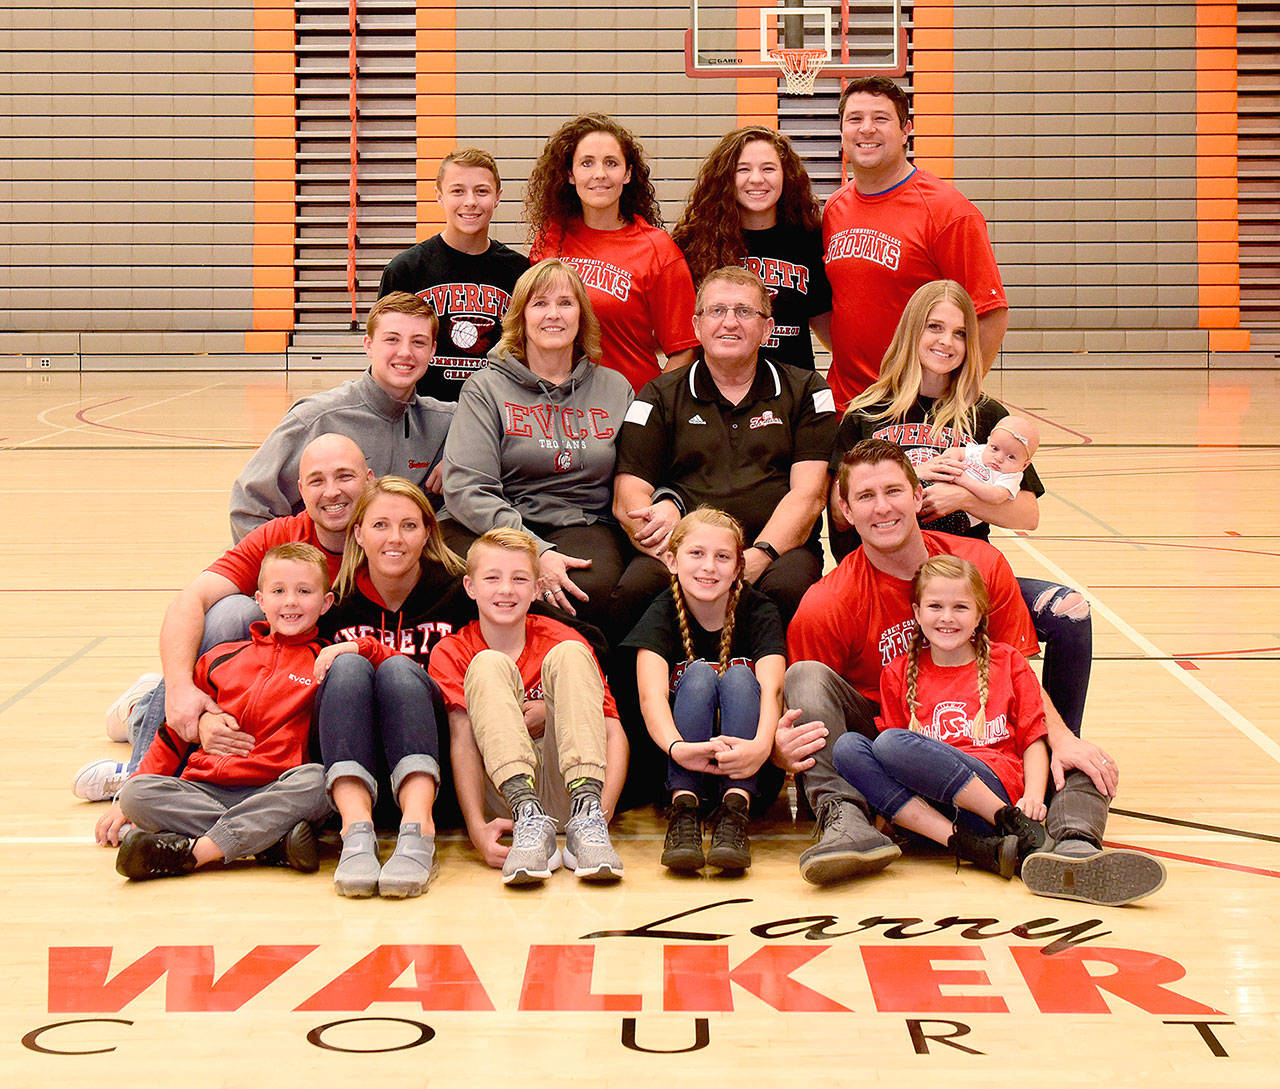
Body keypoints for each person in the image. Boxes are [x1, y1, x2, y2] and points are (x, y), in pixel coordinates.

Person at [781, 439, 1166, 906]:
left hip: (989, 755)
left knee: (1081, 759)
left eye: (894, 491)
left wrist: (1062, 740)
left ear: (919, 495)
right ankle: (848, 822)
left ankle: (1074, 851)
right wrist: (783, 755)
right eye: (865, 496)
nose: (882, 508)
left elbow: (1017, 675)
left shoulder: (980, 566)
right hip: (904, 753)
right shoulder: (827, 604)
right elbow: (832, 726)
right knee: (811, 681)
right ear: (843, 508)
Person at [830, 280, 1089, 735]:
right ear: (912, 331)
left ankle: (1057, 748)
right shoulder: (866, 414)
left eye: (960, 333)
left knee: (1071, 613)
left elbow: (1028, 514)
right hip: (887, 580)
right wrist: (914, 479)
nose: (946, 343)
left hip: (969, 578)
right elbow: (837, 512)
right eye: (935, 327)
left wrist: (966, 497)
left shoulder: (986, 416)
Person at [72, 433, 374, 802]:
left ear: (370, 479)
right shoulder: (280, 537)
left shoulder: (388, 540)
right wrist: (181, 690)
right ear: (300, 488)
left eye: (345, 477)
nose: (331, 492)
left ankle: (141, 707)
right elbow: (189, 601)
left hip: (313, 686)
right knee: (233, 612)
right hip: (276, 672)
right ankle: (140, 771)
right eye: (317, 480)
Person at [93, 543, 392, 881]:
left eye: (304, 591)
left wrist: (355, 646)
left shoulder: (324, 660)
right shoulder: (220, 657)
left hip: (274, 787)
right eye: (278, 591)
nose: (291, 601)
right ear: (260, 600)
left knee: (318, 782)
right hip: (205, 787)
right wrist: (124, 800)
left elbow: (388, 661)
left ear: (325, 603)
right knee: (137, 794)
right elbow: (175, 732)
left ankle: (193, 853)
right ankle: (270, 840)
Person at [611, 266, 836, 635]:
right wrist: (693, 558)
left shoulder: (808, 389)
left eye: (744, 312)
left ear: (767, 328)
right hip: (686, 548)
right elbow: (627, 498)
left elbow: (809, 496)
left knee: (794, 591)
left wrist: (755, 558)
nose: (729, 322)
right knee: (635, 590)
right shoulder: (658, 395)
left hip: (774, 550)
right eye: (717, 311)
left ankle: (784, 692)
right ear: (697, 326)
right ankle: (636, 694)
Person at [441, 259, 633, 632]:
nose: (553, 315)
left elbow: (638, 474)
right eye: (540, 303)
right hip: (496, 521)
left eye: (565, 303)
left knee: (583, 591)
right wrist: (533, 551)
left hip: (582, 521)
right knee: (464, 581)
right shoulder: (485, 387)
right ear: (521, 316)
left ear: (582, 316)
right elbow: (466, 489)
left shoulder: (615, 388)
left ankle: (574, 672)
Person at [832, 555, 1050, 881]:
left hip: (993, 793)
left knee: (891, 742)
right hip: (932, 812)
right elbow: (893, 763)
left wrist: (1033, 797)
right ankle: (972, 847)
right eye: (935, 607)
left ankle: (1011, 822)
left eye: (960, 607)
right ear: (917, 613)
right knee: (847, 747)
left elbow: (1034, 736)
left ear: (979, 614)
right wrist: (885, 809)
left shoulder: (1009, 662)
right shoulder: (898, 672)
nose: (947, 618)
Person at [428, 529, 627, 886]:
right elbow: (462, 742)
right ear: (470, 587)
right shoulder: (451, 651)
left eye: (519, 579)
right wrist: (476, 828)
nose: (506, 590)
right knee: (487, 664)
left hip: (569, 787)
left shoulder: (564, 638)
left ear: (537, 589)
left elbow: (612, 731)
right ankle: (530, 819)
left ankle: (587, 814)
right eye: (492, 578)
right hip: (506, 804)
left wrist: (603, 815)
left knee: (570, 654)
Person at [311, 477, 472, 897]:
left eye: (409, 526)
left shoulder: (459, 592)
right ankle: (356, 834)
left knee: (400, 671)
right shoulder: (334, 603)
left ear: (427, 533)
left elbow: (556, 631)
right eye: (380, 525)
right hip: (351, 770)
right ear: (358, 533)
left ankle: (419, 830)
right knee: (345, 668)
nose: (395, 539)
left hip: (434, 772)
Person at [823, 76, 1008, 406]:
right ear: (842, 132)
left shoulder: (948, 211)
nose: (866, 129)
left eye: (881, 118)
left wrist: (958, 395)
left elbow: (990, 314)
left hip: (914, 407)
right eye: (855, 119)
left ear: (905, 130)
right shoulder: (835, 208)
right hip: (847, 406)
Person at [623, 508, 790, 873]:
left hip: (749, 770)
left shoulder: (759, 609)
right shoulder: (661, 611)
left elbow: (773, 688)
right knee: (698, 676)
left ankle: (735, 813)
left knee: (741, 678)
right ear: (672, 559)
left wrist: (761, 748)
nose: (709, 567)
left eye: (722, 557)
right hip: (677, 769)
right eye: (696, 554)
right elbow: (650, 696)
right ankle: (684, 814)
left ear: (738, 567)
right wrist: (678, 749)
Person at [229, 292, 455, 540]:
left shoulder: (445, 423)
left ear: (433, 349)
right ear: (368, 345)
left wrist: (462, 462)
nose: (405, 352)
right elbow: (249, 507)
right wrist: (290, 570)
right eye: (392, 339)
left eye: (418, 342)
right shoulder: (316, 418)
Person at [526, 113, 697, 391]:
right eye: (587, 163)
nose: (600, 174)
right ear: (570, 174)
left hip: (627, 409)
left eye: (611, 163)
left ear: (627, 174)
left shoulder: (658, 249)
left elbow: (684, 349)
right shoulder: (551, 239)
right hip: (558, 405)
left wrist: (648, 406)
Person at [672, 126, 832, 371]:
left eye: (768, 168)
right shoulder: (695, 242)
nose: (757, 179)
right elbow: (677, 337)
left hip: (793, 394)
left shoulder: (809, 240)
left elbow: (832, 334)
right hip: (716, 396)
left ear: (786, 175)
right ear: (726, 177)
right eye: (743, 169)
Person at [378, 148, 530, 401]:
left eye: (481, 191)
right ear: (439, 196)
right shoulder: (405, 270)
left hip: (496, 415)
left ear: (498, 197)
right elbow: (385, 353)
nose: (470, 201)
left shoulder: (520, 272)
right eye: (458, 191)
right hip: (422, 416)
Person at [952, 414, 1040, 527]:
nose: (999, 458)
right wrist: (949, 463)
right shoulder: (981, 451)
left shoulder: (1010, 477)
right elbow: (955, 452)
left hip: (959, 515)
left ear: (1024, 466)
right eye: (995, 448)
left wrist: (963, 480)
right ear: (988, 442)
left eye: (1011, 457)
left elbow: (995, 497)